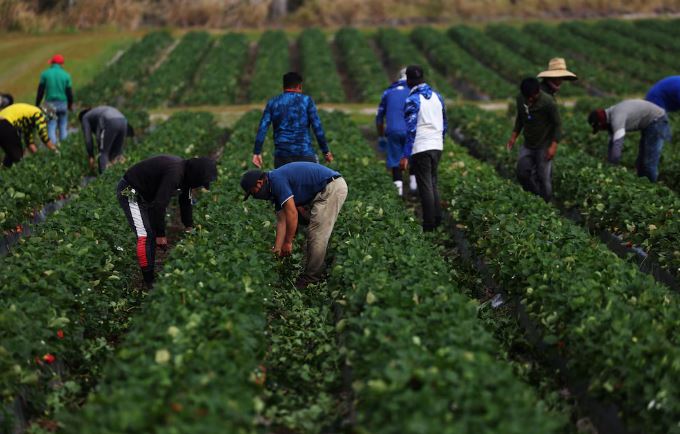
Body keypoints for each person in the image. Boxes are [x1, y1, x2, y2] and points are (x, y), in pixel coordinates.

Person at [240, 162, 348, 289]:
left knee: (317, 234)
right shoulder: (272, 186)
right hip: (323, 189)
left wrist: (288, 242)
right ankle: (310, 271)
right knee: (313, 234)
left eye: (253, 193)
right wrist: (277, 249)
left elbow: (292, 213)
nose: (255, 196)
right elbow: (282, 221)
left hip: (331, 188)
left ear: (259, 183)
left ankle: (311, 279)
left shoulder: (276, 181)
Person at [117, 155, 217, 287]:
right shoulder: (175, 174)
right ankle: (149, 281)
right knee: (145, 236)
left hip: (146, 195)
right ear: (196, 175)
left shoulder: (186, 176)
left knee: (150, 233)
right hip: (129, 191)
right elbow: (159, 204)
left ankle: (150, 275)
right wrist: (161, 235)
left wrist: (189, 226)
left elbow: (186, 202)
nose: (199, 186)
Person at [399, 65, 447, 231]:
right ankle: (438, 217)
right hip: (436, 145)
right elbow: (445, 123)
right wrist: (440, 140)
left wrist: (405, 155)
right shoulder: (437, 96)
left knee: (425, 185)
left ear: (409, 80)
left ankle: (429, 224)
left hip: (422, 146)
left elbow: (411, 130)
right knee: (432, 182)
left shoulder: (412, 100)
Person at [252, 72, 333, 169]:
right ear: (299, 86)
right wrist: (325, 151)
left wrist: (257, 152)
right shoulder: (307, 101)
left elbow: (262, 128)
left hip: (282, 157)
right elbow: (317, 128)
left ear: (284, 86)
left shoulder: (273, 102)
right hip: (305, 154)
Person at [588, 99, 671, 182]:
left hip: (657, 120)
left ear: (600, 123)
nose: (603, 130)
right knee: (641, 162)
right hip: (650, 123)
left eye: (600, 128)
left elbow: (617, 144)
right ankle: (642, 186)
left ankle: (654, 188)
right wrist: (610, 163)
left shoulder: (616, 117)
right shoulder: (611, 115)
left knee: (648, 162)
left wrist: (612, 166)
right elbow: (612, 143)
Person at [506, 77, 561, 202]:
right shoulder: (521, 99)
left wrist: (553, 145)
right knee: (522, 173)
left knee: (543, 177)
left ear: (538, 92)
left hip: (544, 144)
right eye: (528, 97)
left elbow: (557, 124)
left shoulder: (548, 102)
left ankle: (546, 204)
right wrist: (513, 136)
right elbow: (520, 118)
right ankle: (536, 198)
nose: (530, 100)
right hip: (528, 143)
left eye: (533, 97)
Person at [376, 67, 416, 196]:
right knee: (413, 157)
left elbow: (379, 117)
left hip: (393, 130)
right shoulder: (414, 91)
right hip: (411, 130)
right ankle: (414, 187)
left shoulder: (388, 92)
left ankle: (398, 192)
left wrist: (381, 136)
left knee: (395, 160)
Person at [0, 102, 57, 167]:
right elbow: (44, 136)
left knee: (11, 154)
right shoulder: (38, 113)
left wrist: (39, 158)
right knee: (17, 156)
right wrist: (55, 151)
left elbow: (29, 143)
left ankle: (4, 169)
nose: (46, 122)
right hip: (4, 123)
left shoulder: (29, 117)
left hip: (3, 122)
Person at [80, 106, 134, 174]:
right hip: (123, 120)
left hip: (110, 122)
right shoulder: (97, 111)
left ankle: (104, 179)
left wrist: (91, 155)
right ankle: (121, 178)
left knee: (103, 153)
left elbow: (88, 138)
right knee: (117, 154)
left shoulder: (85, 117)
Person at [36, 54, 73, 143]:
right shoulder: (66, 75)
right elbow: (69, 93)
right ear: (61, 64)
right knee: (63, 126)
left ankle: (53, 151)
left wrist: (37, 104)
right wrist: (70, 105)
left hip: (49, 103)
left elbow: (40, 91)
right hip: (62, 103)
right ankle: (65, 149)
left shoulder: (45, 74)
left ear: (52, 63)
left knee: (51, 126)